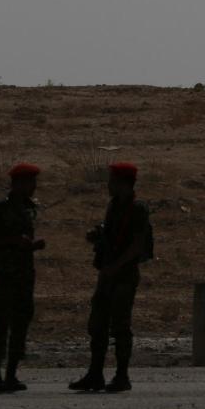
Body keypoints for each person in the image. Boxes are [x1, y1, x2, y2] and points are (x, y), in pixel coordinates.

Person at [69, 161, 150, 393]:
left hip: (123, 275)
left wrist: (116, 266)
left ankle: (122, 375)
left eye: (112, 181)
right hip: (108, 274)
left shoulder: (138, 209)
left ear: (123, 183)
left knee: (121, 327)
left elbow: (137, 245)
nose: (109, 185)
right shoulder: (114, 206)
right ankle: (95, 374)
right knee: (98, 326)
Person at [0, 162, 46, 393]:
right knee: (2, 324)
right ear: (18, 183)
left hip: (24, 273)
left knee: (21, 324)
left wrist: (31, 246)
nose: (34, 187)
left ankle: (11, 375)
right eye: (30, 182)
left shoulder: (29, 208)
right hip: (6, 273)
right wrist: (14, 241)